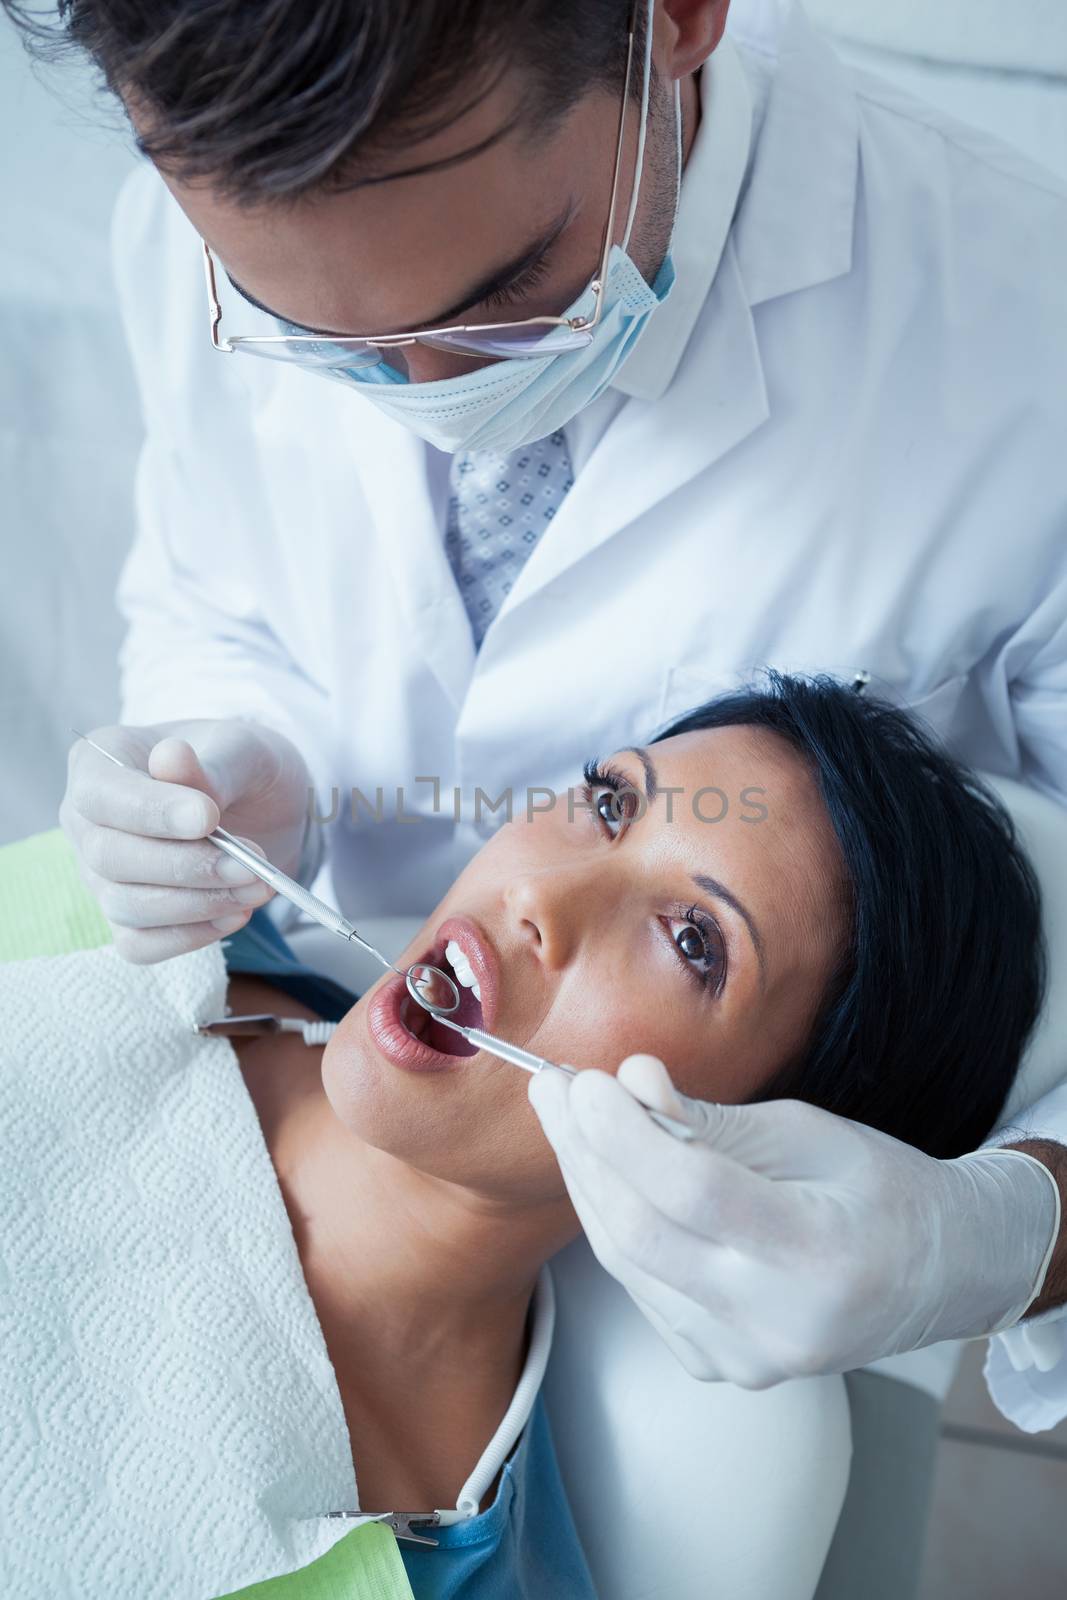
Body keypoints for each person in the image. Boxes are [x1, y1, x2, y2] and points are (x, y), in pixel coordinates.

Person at [9, 0, 1067, 1422]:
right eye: (313, 332)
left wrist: (997, 1235)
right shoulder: (212, 203)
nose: (416, 393)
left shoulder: (1023, 338)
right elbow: (220, 598)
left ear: (673, 20)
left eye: (504, 289)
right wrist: (241, 751)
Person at [15, 671, 1044, 1598]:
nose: (537, 895)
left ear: (757, 1145)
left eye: (693, 940)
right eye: (607, 803)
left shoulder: (433, 1571)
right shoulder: (139, 908)